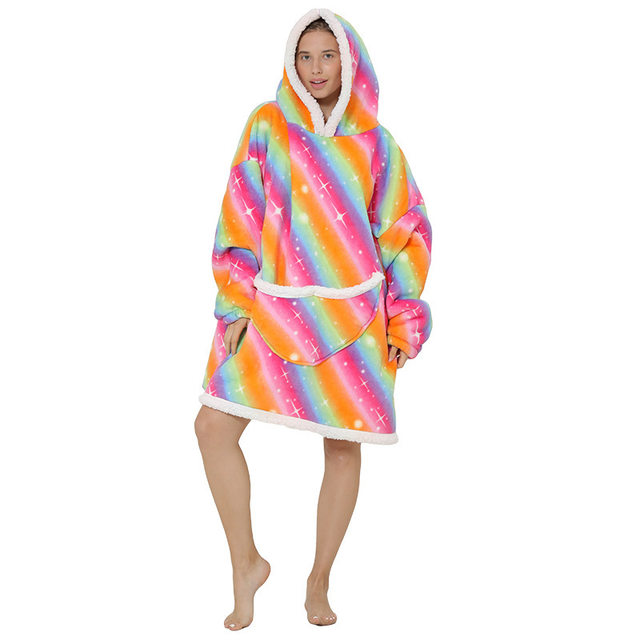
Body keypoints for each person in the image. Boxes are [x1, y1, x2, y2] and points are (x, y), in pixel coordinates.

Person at [194, 7, 433, 630]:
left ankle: (319, 579)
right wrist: (236, 302)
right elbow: (240, 213)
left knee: (344, 445)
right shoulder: (267, 125)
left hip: (353, 319)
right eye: (306, 56)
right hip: (273, 310)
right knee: (212, 426)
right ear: (291, 62)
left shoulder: (377, 144)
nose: (317, 68)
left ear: (350, 63)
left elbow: (405, 232)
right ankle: (245, 564)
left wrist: (402, 318)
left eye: (329, 55)